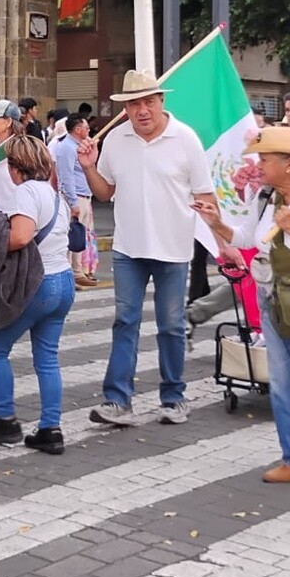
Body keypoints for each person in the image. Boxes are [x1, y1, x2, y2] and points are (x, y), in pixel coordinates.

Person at [194, 127, 290, 482]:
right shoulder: (265, 196)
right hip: (273, 298)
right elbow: (249, 237)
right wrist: (217, 224)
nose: (258, 165)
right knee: (281, 382)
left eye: (265, 159)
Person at [77, 70, 218, 427]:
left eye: (149, 102)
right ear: (125, 108)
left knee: (170, 325)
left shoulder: (185, 139)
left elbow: (205, 195)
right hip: (128, 248)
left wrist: (218, 232)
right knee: (125, 322)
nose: (142, 110)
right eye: (135, 104)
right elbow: (104, 192)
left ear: (161, 102)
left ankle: (173, 397)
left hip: (173, 248)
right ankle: (117, 400)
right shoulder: (118, 140)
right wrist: (89, 167)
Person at [0, 135, 75, 454]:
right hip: (63, 281)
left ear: (17, 167)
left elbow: (20, 237)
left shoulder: (26, 192)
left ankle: (5, 420)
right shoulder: (55, 195)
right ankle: (50, 428)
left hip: (38, 283)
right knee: (46, 356)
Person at [54, 114, 98, 288]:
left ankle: (77, 272)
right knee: (69, 237)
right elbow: (66, 176)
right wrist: (72, 202)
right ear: (78, 129)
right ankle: (67, 274)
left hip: (84, 195)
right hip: (76, 196)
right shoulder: (66, 148)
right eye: (86, 128)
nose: (88, 131)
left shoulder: (79, 147)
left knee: (79, 237)